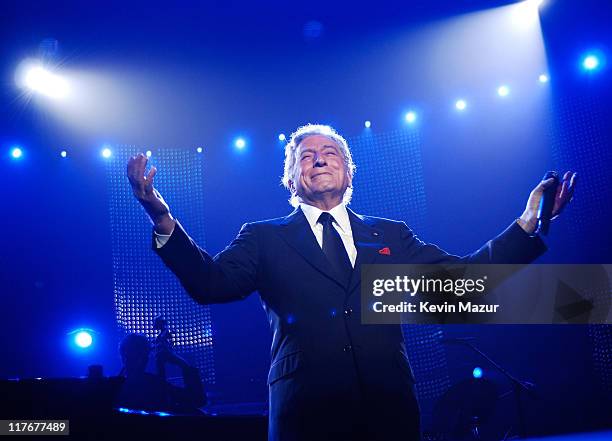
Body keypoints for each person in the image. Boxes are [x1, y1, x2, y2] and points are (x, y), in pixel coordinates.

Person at [127, 124, 576, 441]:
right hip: (306, 412)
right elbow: (211, 283)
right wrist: (160, 215)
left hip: (388, 408)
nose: (319, 158)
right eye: (306, 155)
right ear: (291, 177)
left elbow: (464, 286)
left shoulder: (390, 234)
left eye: (330, 153)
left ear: (347, 171)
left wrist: (526, 224)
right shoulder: (263, 237)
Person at [116, 333, 206, 413]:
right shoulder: (154, 385)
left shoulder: (113, 386)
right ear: (145, 358)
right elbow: (198, 400)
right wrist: (182, 363)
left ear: (122, 356)